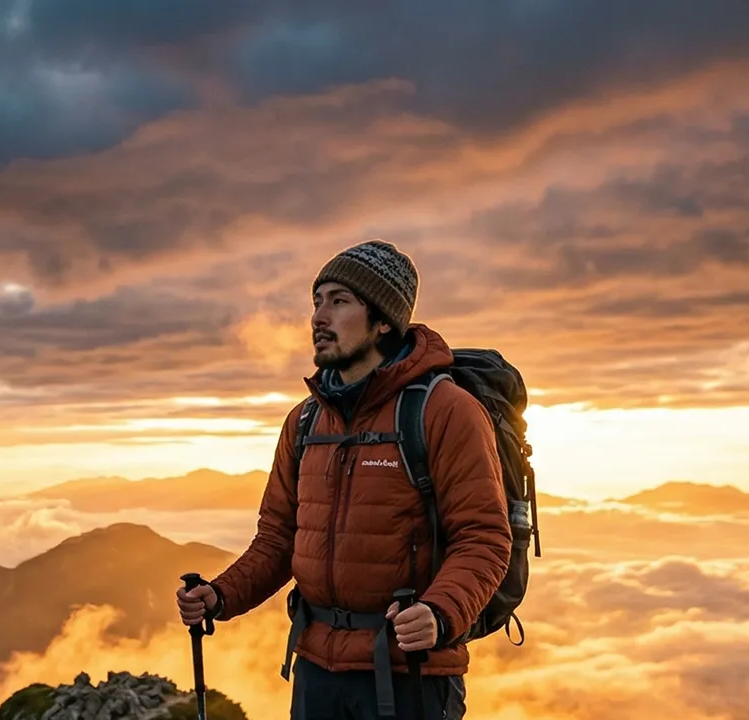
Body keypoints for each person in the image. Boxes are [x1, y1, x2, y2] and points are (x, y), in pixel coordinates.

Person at [177, 240, 513, 720]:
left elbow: (484, 537)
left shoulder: (445, 411)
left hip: (409, 673)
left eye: (339, 301)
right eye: (316, 301)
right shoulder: (306, 422)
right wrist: (221, 594)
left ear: (382, 321)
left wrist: (439, 614)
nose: (318, 316)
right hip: (317, 669)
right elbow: (279, 539)